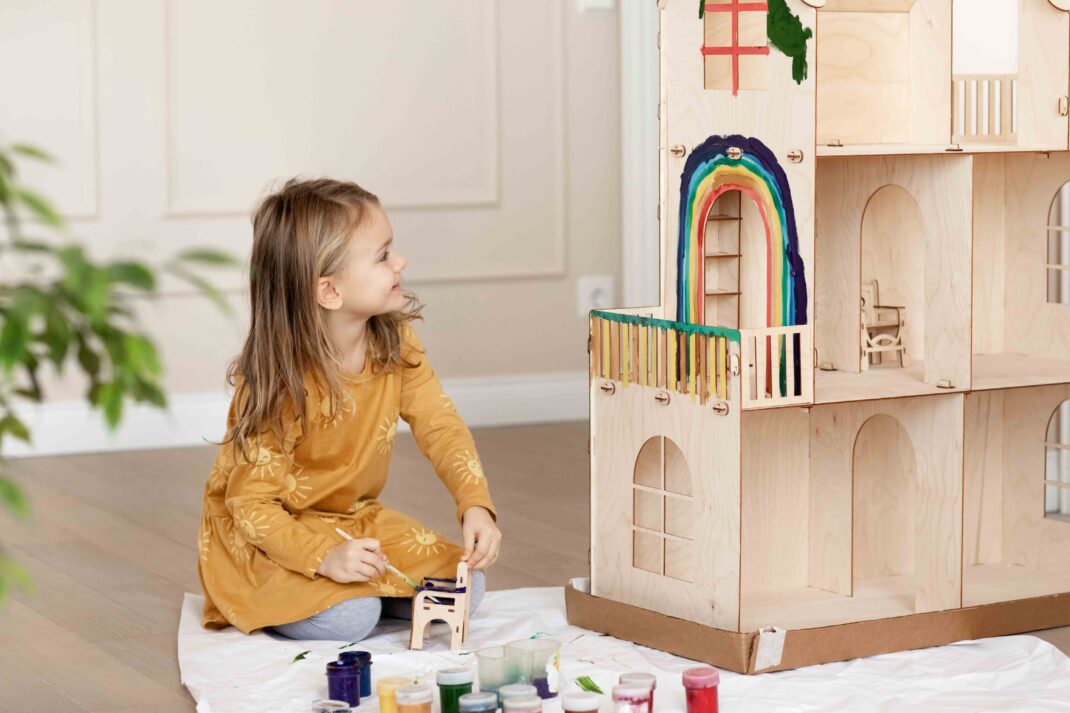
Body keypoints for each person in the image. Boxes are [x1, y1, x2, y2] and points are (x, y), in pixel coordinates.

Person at [196, 177, 501, 641]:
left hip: (353, 521)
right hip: (267, 536)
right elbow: (250, 505)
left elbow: (440, 424)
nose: (401, 262)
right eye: (382, 256)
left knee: (467, 587)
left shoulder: (395, 342)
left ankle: (363, 589)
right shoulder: (281, 384)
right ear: (329, 291)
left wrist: (475, 505)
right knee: (349, 619)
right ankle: (348, 595)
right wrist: (323, 558)